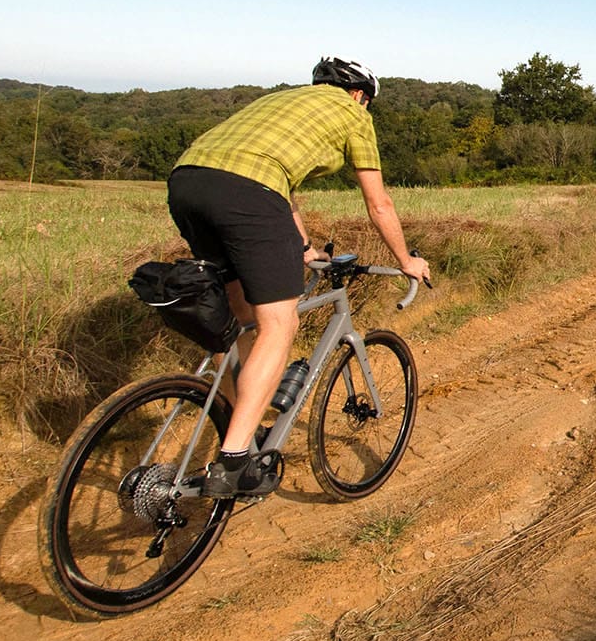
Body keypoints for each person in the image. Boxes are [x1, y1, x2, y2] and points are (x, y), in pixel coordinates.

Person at [166, 56, 431, 498]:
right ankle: (234, 462)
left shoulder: (282, 101)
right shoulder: (352, 114)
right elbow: (378, 203)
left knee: (243, 319)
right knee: (281, 324)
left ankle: (241, 426)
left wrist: (304, 249)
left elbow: (279, 189)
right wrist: (406, 259)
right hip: (247, 194)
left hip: (187, 184)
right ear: (360, 95)